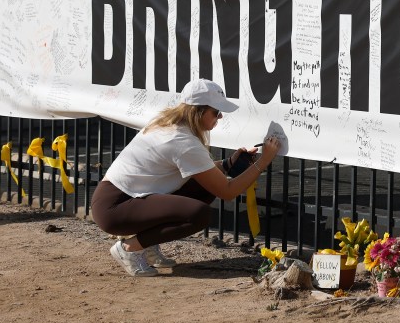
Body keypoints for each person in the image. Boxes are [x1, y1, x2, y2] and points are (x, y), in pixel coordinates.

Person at [91, 78, 281, 277]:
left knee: (203, 188)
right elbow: (228, 191)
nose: (220, 117)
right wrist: (263, 161)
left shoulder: (170, 125)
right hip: (115, 209)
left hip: (117, 198)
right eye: (216, 112)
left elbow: (201, 172)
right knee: (199, 214)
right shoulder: (183, 141)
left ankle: (146, 245)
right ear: (198, 111)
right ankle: (129, 248)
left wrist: (229, 163)